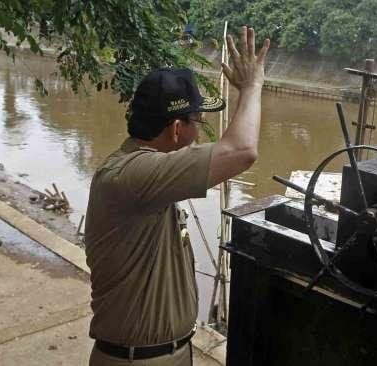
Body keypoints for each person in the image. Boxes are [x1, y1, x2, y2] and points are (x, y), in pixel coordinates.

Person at [84, 26, 270, 366]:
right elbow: (242, 150)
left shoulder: (144, 173)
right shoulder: (136, 175)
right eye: (198, 119)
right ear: (175, 129)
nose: (201, 130)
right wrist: (252, 86)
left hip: (164, 353)